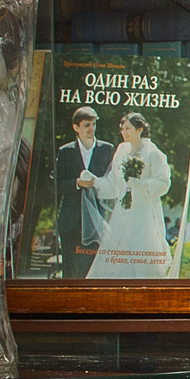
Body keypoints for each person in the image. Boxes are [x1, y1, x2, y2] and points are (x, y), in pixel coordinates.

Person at [86, 110, 174, 278]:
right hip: (122, 212)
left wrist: (140, 185)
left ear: (140, 129)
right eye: (122, 129)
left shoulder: (153, 152)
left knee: (142, 252)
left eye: (128, 128)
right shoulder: (121, 150)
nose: (124, 132)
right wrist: (95, 182)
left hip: (143, 211)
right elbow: (113, 184)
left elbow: (164, 183)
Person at [53, 106, 114, 278]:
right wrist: (77, 183)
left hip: (96, 221)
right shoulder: (65, 151)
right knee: (70, 271)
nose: (91, 128)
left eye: (93, 124)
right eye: (87, 125)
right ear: (76, 127)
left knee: (93, 270)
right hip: (70, 221)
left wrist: (98, 184)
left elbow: (113, 183)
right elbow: (55, 184)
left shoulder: (107, 149)